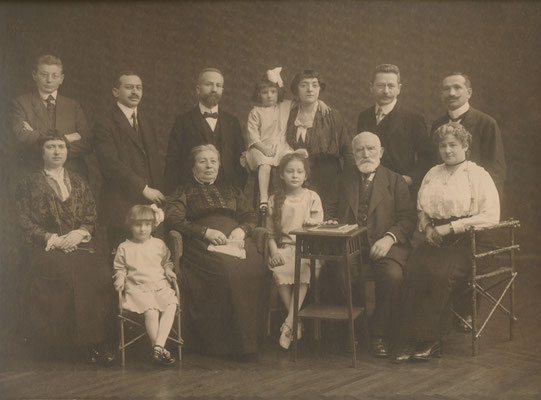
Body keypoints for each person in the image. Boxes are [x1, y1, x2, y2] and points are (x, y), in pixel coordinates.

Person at [393, 122, 500, 363]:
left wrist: (450, 227)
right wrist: (428, 224)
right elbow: (422, 206)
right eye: (443, 146)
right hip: (436, 237)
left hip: (470, 241)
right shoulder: (433, 173)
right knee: (412, 270)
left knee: (438, 273)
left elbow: (491, 216)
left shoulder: (478, 175)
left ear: (465, 146)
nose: (448, 150)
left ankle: (431, 340)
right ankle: (409, 337)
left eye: (453, 145)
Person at [15, 134, 113, 363]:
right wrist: (53, 239)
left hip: (79, 243)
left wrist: (79, 233)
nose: (57, 152)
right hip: (46, 247)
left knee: (100, 274)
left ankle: (94, 342)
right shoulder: (28, 183)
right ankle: (59, 346)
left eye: (61, 147)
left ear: (68, 152)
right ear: (42, 152)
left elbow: (91, 214)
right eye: (51, 147)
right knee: (66, 275)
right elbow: (23, 221)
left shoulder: (79, 180)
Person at [165, 144, 269, 358]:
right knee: (226, 271)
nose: (208, 166)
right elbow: (174, 219)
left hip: (234, 241)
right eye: (202, 161)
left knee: (255, 266)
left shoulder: (231, 189)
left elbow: (250, 216)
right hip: (201, 244)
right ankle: (227, 345)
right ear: (193, 166)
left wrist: (241, 230)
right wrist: (205, 232)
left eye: (213, 161)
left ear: (219, 165)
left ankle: (250, 342)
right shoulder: (183, 190)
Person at [325, 131, 416, 358]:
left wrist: (389, 238)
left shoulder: (395, 181)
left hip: (386, 245)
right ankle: (355, 330)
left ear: (381, 152)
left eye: (371, 149)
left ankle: (379, 333)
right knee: (338, 273)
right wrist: (332, 223)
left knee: (393, 276)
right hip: (350, 246)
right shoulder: (342, 179)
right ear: (353, 154)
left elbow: (407, 218)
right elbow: (331, 211)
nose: (366, 154)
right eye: (360, 150)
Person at [93, 71, 165, 251]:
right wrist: (144, 188)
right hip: (120, 205)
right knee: (121, 264)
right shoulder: (105, 122)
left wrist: (157, 202)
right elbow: (110, 164)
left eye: (138, 88)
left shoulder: (147, 121)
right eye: (129, 87)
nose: (135, 92)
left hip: (148, 206)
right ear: (115, 92)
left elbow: (153, 163)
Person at [245, 67, 329, 214]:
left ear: (279, 93)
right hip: (259, 148)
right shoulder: (255, 112)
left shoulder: (284, 105)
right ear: (259, 95)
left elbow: (306, 99)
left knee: (294, 159)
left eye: (273, 92)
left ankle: (293, 197)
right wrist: (264, 149)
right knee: (265, 163)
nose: (269, 96)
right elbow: (253, 137)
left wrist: (319, 102)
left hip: (280, 146)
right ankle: (264, 199)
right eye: (265, 93)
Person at [266, 152, 325, 350]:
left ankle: (289, 323)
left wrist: (313, 224)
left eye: (299, 172)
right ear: (281, 175)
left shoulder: (312, 197)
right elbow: (270, 234)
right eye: (290, 171)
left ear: (306, 176)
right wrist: (274, 253)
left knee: (304, 270)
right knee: (279, 271)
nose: (295, 175)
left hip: (308, 250)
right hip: (284, 248)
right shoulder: (275, 200)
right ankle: (295, 321)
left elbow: (320, 225)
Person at [113, 205, 178, 366]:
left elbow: (166, 262)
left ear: (153, 226)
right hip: (138, 289)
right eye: (138, 225)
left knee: (171, 304)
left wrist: (168, 270)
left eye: (147, 225)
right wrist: (120, 278)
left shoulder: (158, 244)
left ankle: (158, 346)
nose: (143, 229)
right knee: (152, 311)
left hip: (159, 286)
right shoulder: (125, 247)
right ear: (130, 226)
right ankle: (159, 350)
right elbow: (120, 268)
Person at [164, 68, 246, 194]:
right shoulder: (183, 121)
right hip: (193, 194)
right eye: (209, 84)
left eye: (218, 86)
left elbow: (241, 161)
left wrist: (236, 191)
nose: (214, 89)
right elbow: (172, 162)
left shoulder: (232, 122)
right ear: (198, 89)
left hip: (228, 194)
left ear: (222, 90)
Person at [285, 69, 354, 217]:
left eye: (314, 85)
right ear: (296, 89)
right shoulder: (288, 114)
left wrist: (349, 181)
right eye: (304, 85)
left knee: (325, 219)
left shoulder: (331, 115)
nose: (310, 89)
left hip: (327, 178)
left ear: (319, 89)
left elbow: (347, 150)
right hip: (297, 178)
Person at [11, 54, 93, 178]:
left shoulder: (73, 105)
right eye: (44, 75)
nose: (49, 80)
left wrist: (39, 138)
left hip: (72, 174)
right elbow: (20, 136)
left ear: (62, 79)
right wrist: (65, 139)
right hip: (34, 173)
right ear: (35, 76)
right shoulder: (21, 103)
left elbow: (87, 143)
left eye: (55, 76)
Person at [357, 64, 432, 193]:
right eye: (380, 85)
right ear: (371, 87)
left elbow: (426, 157)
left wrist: (410, 179)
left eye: (391, 86)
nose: (386, 91)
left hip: (401, 189)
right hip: (369, 188)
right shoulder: (364, 117)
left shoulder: (413, 118)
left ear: (399, 89)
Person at [431, 72, 506, 199]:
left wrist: (485, 201)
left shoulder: (486, 123)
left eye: (457, 87)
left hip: (476, 198)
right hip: (445, 198)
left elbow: (496, 170)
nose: (451, 93)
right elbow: (434, 164)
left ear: (469, 93)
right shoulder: (437, 125)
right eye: (446, 89)